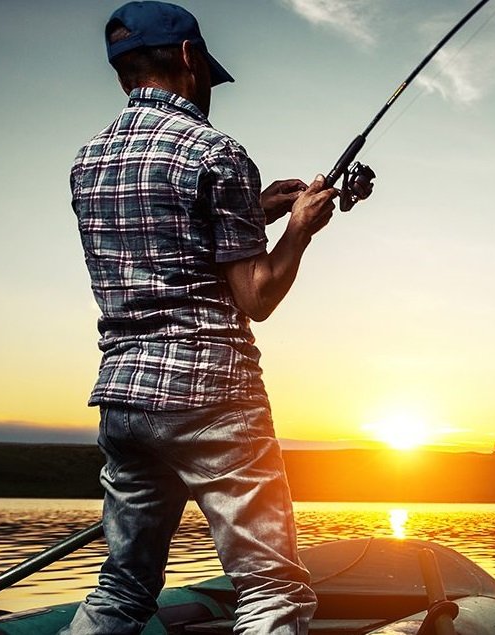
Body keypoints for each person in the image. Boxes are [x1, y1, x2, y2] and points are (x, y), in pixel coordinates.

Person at [64, 2, 368, 633]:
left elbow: (161, 242)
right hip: (211, 395)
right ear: (187, 58)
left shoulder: (87, 161)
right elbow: (256, 296)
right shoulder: (216, 151)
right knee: (272, 589)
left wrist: (253, 211)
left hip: (123, 399)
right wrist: (301, 232)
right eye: (205, 69)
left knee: (123, 588)